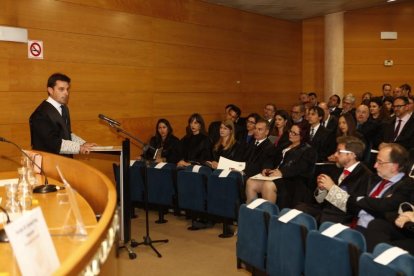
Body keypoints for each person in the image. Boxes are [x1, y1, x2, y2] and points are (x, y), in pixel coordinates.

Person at [317, 143, 414, 236]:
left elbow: (384, 209)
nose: (375, 165)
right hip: (350, 223)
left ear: (394, 166)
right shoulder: (374, 178)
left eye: (380, 162)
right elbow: (351, 203)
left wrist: (333, 189)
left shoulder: (406, 185)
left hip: (373, 231)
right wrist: (325, 190)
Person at [297, 136, 373, 224]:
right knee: (298, 209)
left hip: (342, 218)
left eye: (339, 152)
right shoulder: (337, 168)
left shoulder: (365, 176)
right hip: (325, 211)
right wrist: (322, 189)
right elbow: (321, 201)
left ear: (352, 155)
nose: (335, 154)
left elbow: (353, 206)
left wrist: (332, 188)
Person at [245, 124, 316, 208]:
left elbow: (301, 168)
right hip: (275, 176)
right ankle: (252, 213)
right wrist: (266, 168)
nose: (290, 134)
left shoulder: (308, 150)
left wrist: (282, 172)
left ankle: (267, 216)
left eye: (294, 133)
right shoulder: (285, 144)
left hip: (292, 180)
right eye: (290, 131)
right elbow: (271, 157)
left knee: (268, 185)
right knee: (250, 182)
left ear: (302, 136)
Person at [29, 73, 97, 156]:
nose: (66, 93)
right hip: (47, 163)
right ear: (50, 90)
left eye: (67, 89)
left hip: (64, 161)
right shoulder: (40, 114)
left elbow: (66, 134)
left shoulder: (64, 108)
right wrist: (79, 147)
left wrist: (83, 143)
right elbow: (53, 143)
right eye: (61, 89)